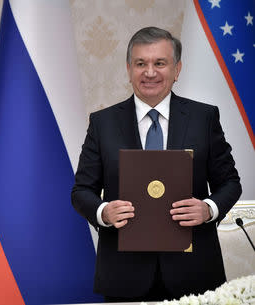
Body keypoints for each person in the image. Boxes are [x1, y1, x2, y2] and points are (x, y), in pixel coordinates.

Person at [71, 27, 241, 302]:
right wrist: (104, 212)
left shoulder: (204, 117)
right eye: (141, 64)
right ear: (129, 69)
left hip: (195, 272)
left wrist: (207, 209)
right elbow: (81, 192)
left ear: (177, 69)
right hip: (124, 275)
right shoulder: (102, 123)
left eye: (160, 63)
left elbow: (230, 183)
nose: (150, 72)